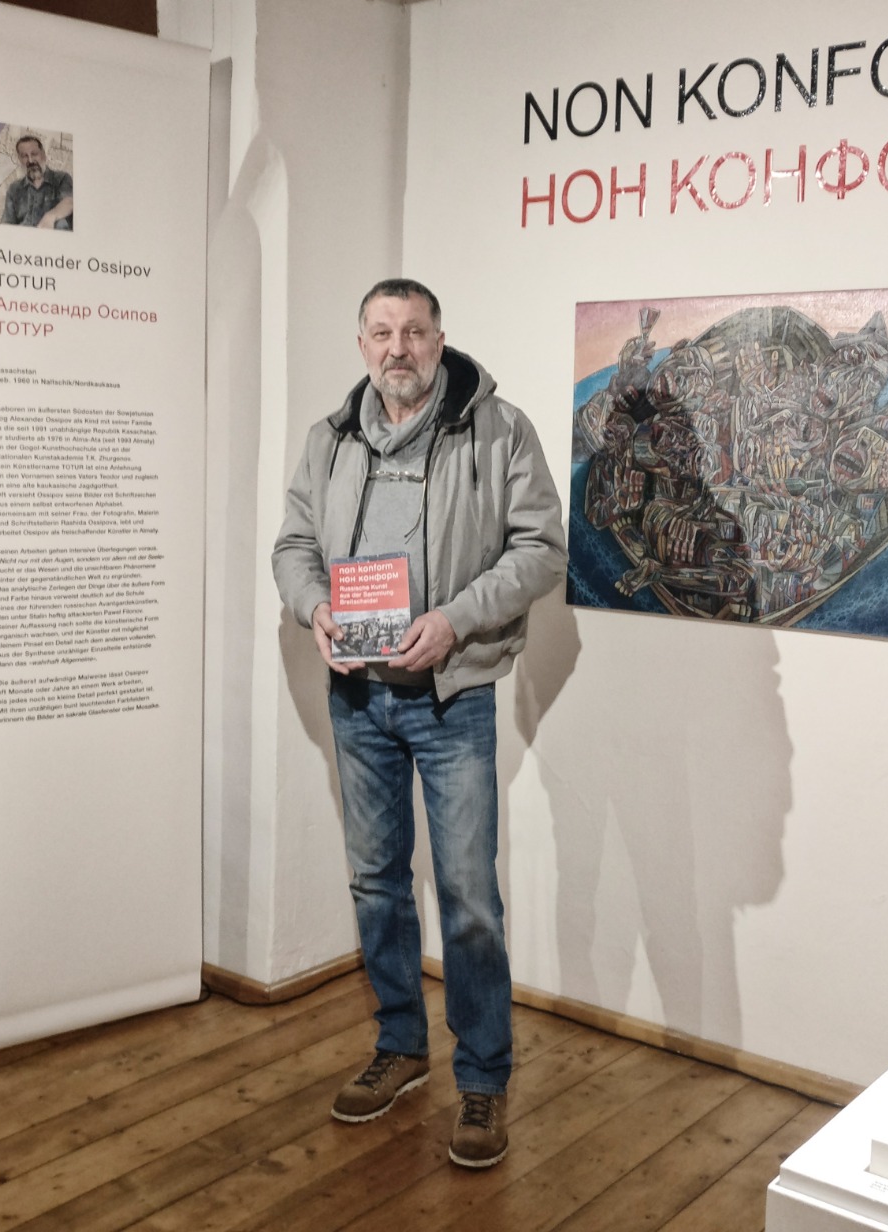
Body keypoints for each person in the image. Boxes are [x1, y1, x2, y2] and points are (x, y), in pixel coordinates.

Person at [272, 278, 567, 1168]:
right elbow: (293, 546)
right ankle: (400, 1046)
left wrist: (456, 619)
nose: (397, 348)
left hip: (451, 695)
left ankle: (483, 1081)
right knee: (375, 883)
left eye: (413, 331)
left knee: (470, 897)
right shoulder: (329, 439)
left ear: (440, 340)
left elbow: (541, 549)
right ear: (362, 344)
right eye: (381, 332)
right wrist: (314, 607)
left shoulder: (497, 429)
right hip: (357, 697)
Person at [1, 135, 74, 230]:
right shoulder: (14, 188)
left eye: (34, 154)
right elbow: (6, 224)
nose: (30, 160)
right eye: (24, 156)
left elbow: (69, 202)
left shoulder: (61, 178)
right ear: (19, 159)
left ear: (43, 154)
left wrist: (50, 216)